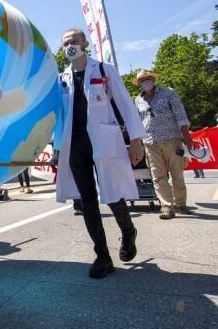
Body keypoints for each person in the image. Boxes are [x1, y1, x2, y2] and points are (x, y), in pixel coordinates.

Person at [52, 28, 146, 279]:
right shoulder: (62, 78)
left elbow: (126, 103)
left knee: (112, 192)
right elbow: (60, 117)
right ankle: (102, 256)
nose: (69, 45)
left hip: (103, 140)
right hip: (75, 144)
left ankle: (128, 231)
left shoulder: (103, 70)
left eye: (73, 41)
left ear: (84, 43)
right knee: (87, 200)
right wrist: (57, 147)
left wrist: (136, 141)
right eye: (65, 43)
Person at [133, 69, 193, 219]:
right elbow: (138, 122)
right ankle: (166, 206)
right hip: (150, 142)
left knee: (176, 173)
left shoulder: (169, 93)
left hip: (171, 139)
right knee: (157, 175)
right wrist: (138, 142)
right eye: (142, 80)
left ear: (153, 79)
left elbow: (180, 114)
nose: (145, 81)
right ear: (139, 83)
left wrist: (185, 134)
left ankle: (181, 204)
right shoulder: (138, 100)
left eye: (147, 78)